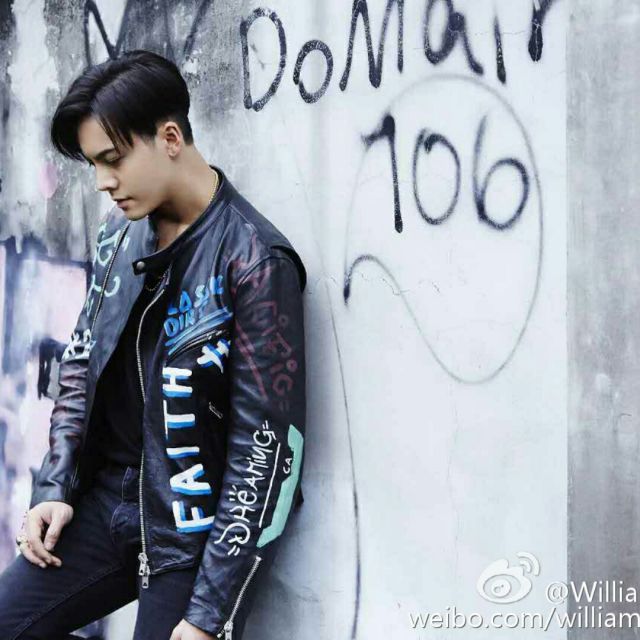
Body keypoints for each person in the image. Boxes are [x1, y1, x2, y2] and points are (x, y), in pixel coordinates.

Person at [0, 49, 307, 640]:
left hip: (187, 531)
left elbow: (265, 455)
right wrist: (54, 487)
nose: (103, 182)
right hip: (105, 506)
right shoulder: (120, 233)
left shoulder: (254, 261)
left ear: (169, 138)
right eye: (94, 164)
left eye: (112, 160)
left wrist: (211, 612)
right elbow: (80, 361)